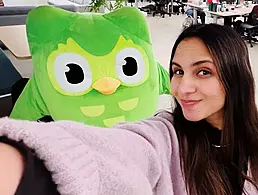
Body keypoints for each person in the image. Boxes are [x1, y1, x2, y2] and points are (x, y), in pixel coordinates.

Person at [0, 23, 258, 195]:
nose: (182, 87)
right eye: (178, 71)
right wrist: (21, 160)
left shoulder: (252, 137)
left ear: (236, 77)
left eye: (203, 72)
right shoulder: (165, 137)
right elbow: (109, 152)